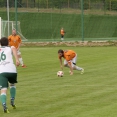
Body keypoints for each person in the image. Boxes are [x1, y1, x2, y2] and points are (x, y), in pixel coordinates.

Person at [0, 37, 20, 113]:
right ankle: (12, 99)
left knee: (3, 90)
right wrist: (17, 60)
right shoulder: (11, 47)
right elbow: (14, 49)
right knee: (12, 84)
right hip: (12, 70)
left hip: (2, 71)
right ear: (8, 42)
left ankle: (4, 104)